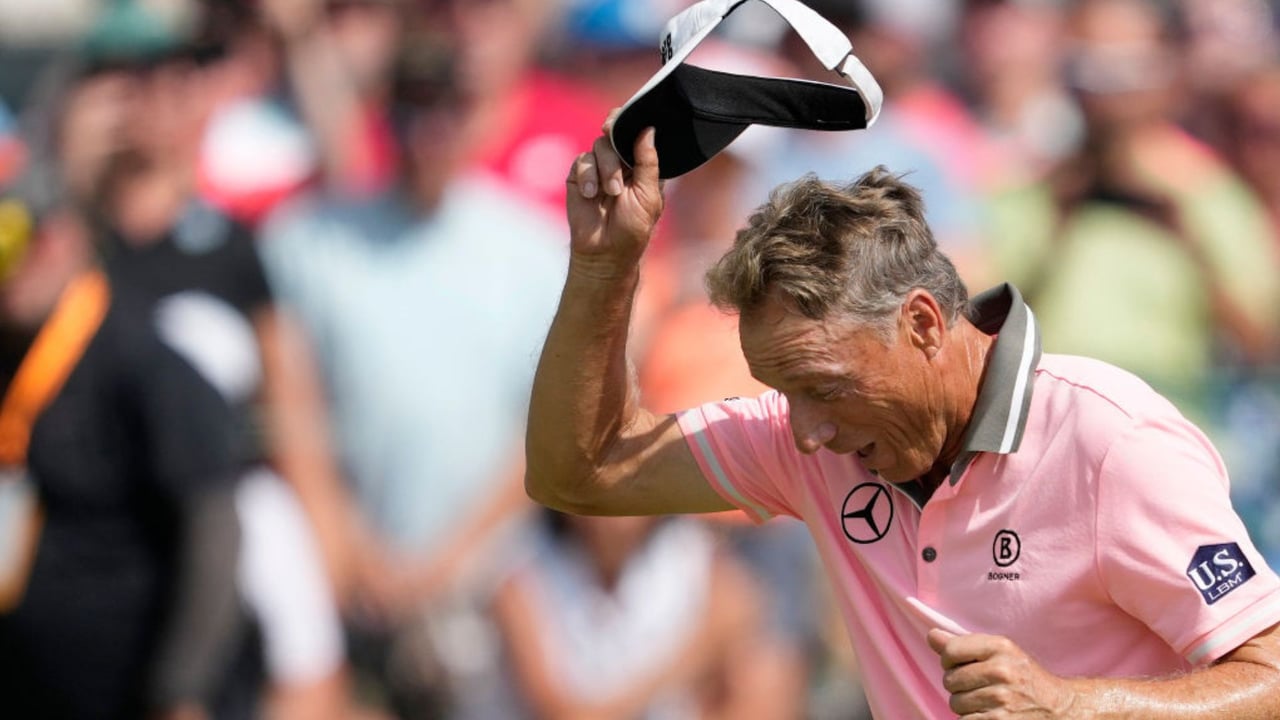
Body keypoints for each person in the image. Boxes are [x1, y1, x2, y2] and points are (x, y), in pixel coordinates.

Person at [525, 118, 1280, 717]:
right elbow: (580, 474)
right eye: (781, 391)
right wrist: (603, 266)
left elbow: (1269, 677)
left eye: (822, 386)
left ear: (921, 324)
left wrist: (1076, 706)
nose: (805, 429)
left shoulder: (1111, 441)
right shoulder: (808, 443)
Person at [0, 188, 241, 720]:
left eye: (21, 241)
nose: (12, 268)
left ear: (68, 238)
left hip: (128, 694)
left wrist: (183, 689)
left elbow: (214, 528)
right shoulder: (10, 349)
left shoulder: (145, 363)